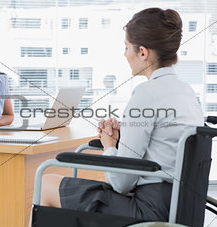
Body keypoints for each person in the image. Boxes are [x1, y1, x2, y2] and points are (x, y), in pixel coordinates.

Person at [37, 8, 204, 222]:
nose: (125, 54)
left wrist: (109, 146)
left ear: (143, 53)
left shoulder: (146, 94)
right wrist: (121, 140)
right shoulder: (187, 92)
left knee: (46, 181)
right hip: (179, 205)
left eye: (126, 47)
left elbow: (122, 184)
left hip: (147, 210)